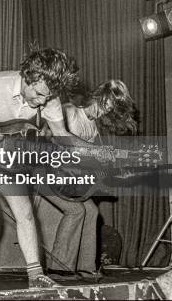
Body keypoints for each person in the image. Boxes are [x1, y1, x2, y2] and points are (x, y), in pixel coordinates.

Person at [0, 48, 103, 292]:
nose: (42, 101)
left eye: (48, 96)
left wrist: (94, 153)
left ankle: (36, 275)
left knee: (25, 213)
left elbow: (62, 135)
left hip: (8, 156)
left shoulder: (50, 100)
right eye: (39, 93)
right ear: (28, 77)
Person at [43, 79, 137, 277]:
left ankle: (86, 268)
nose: (105, 113)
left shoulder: (92, 127)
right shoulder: (69, 111)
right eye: (106, 106)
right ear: (98, 97)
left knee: (92, 211)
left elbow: (93, 159)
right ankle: (58, 269)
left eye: (109, 110)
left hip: (65, 176)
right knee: (76, 211)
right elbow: (59, 142)